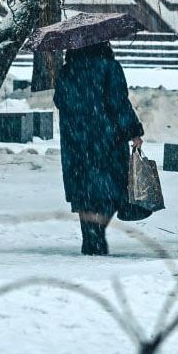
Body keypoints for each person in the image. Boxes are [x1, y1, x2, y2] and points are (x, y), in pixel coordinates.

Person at [53, 41, 144, 255]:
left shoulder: (68, 70)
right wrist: (133, 131)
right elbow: (118, 102)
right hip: (106, 140)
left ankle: (91, 237)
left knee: (85, 192)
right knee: (110, 190)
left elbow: (59, 100)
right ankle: (97, 234)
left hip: (76, 142)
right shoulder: (109, 68)